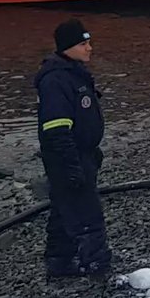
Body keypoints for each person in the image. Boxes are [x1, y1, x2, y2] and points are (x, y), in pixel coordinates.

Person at [35, 19, 111, 278]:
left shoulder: (73, 74)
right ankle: (98, 268)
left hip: (82, 154)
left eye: (89, 42)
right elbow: (56, 129)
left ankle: (59, 262)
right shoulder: (56, 81)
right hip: (68, 157)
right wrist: (71, 165)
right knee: (88, 215)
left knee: (62, 208)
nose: (90, 48)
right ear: (68, 47)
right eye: (83, 43)